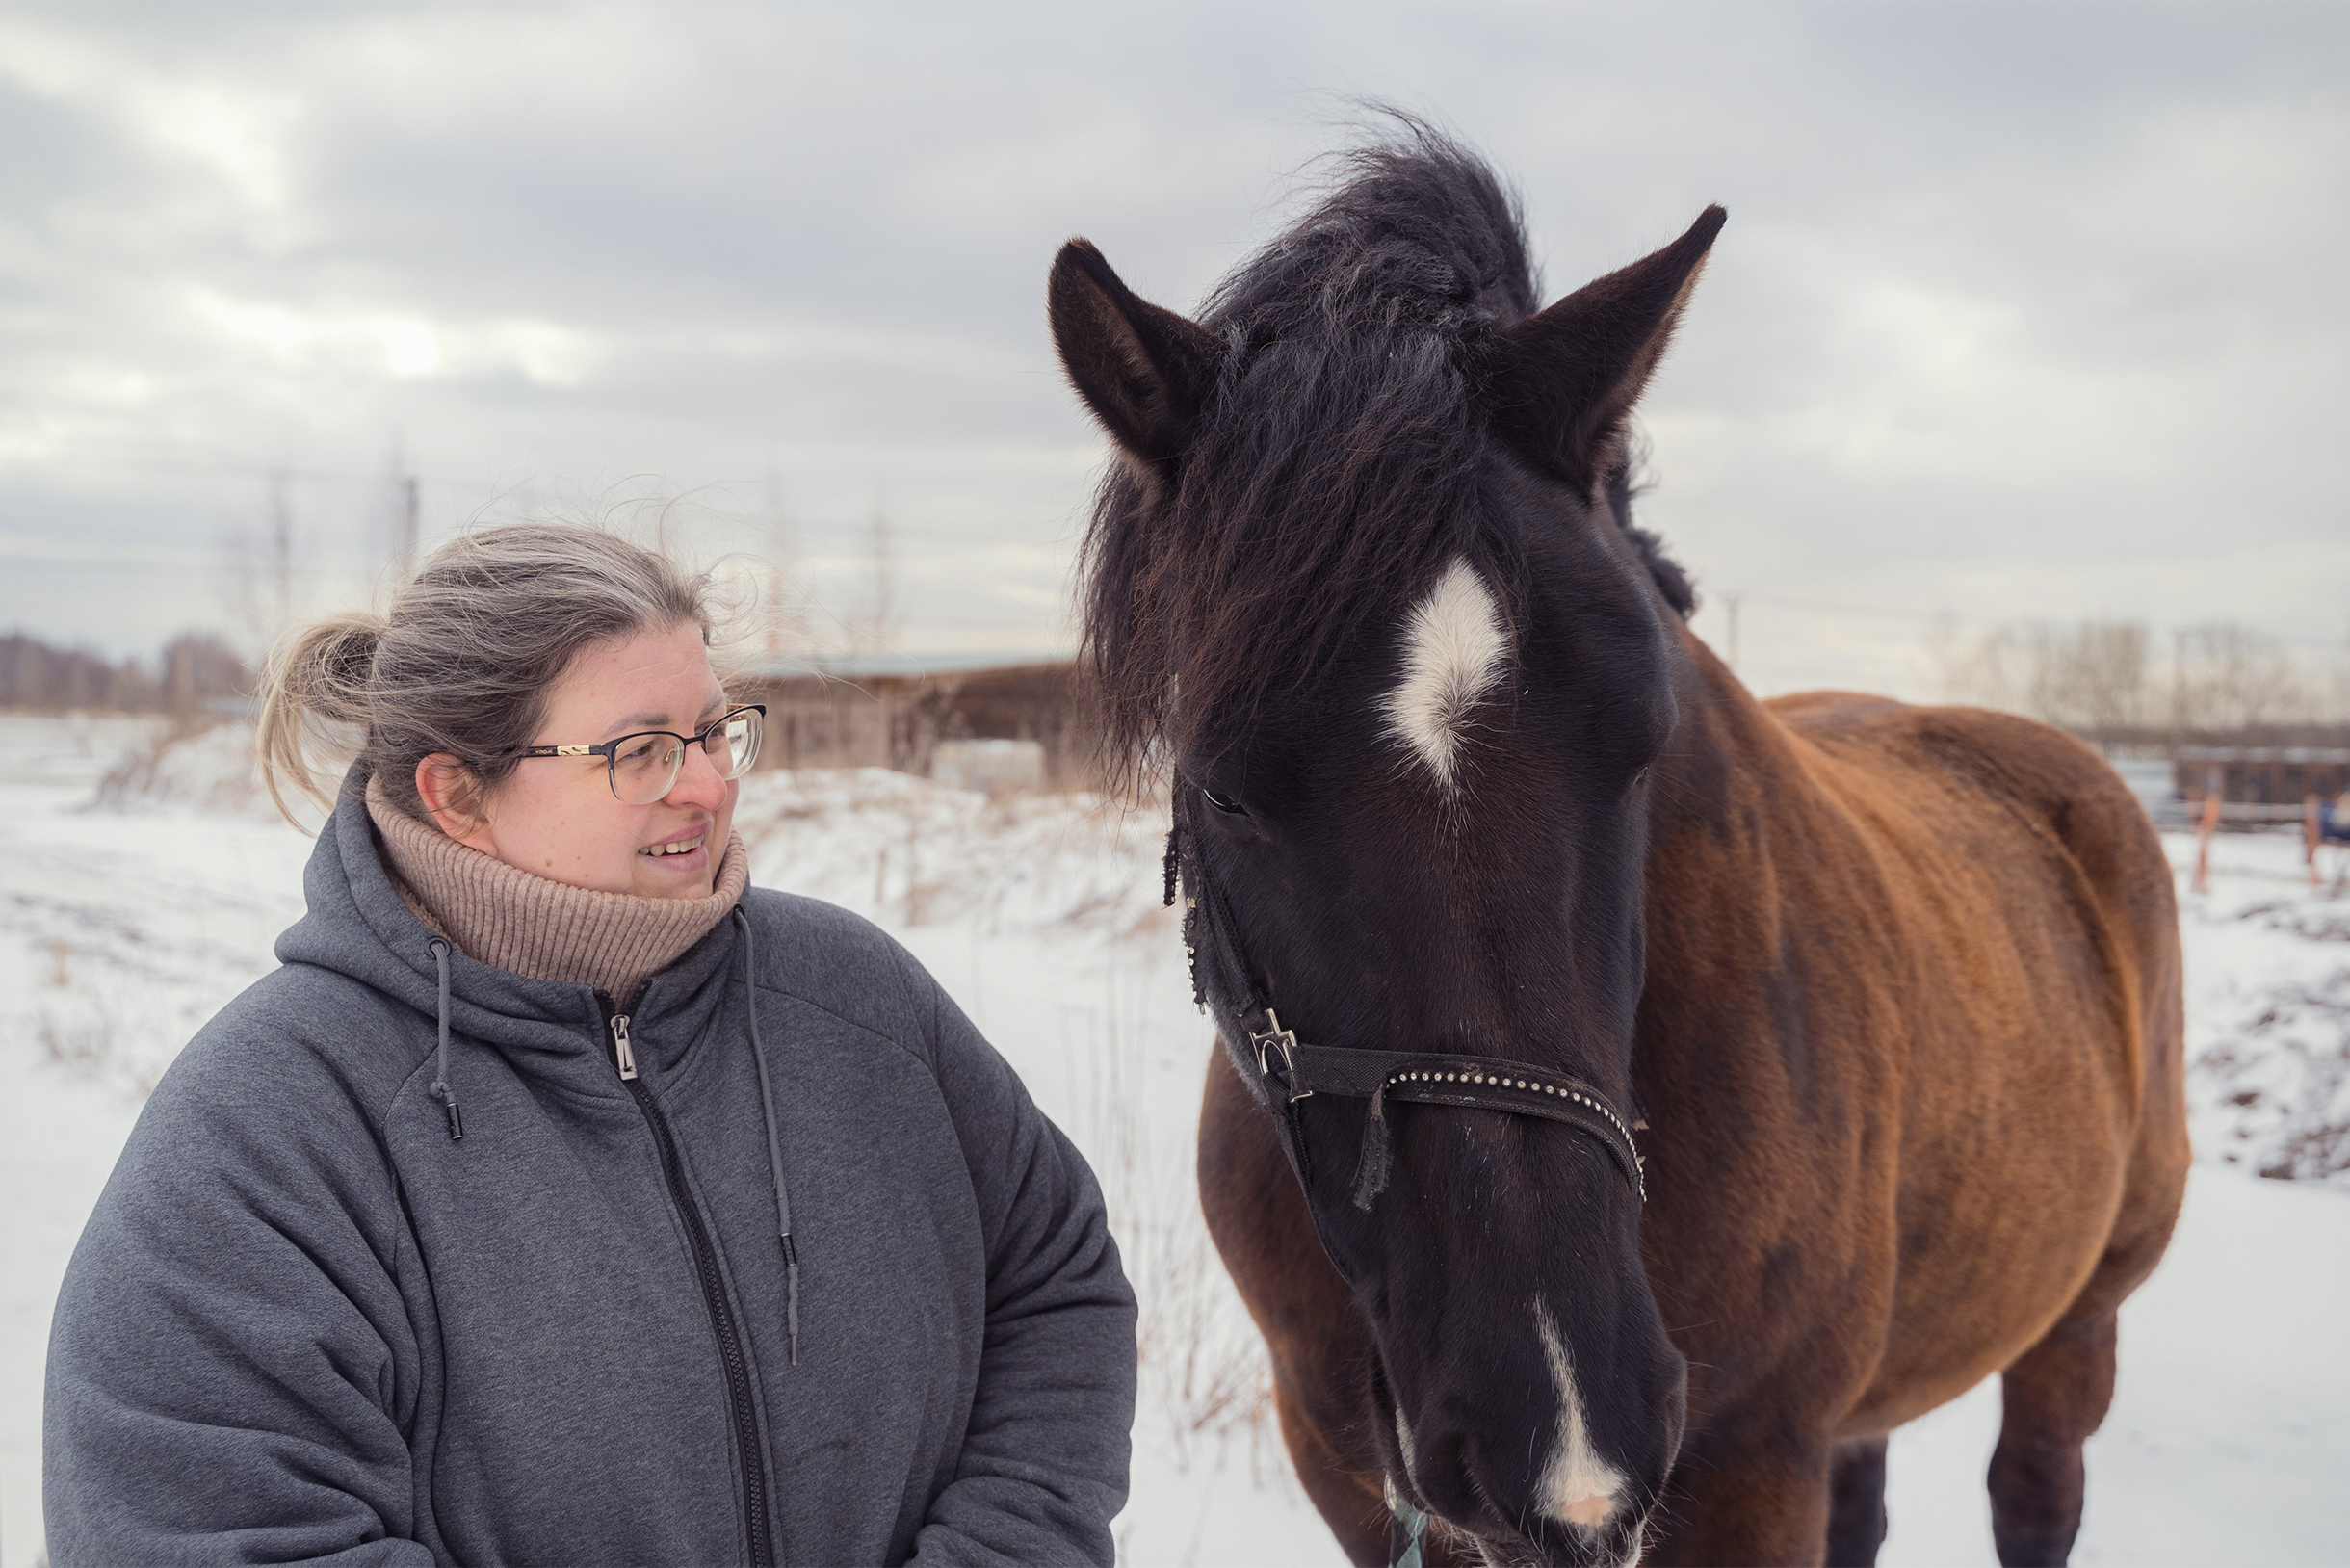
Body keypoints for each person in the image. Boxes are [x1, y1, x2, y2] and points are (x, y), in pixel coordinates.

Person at [43, 525, 1136, 1566]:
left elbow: (1055, 1282)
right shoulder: (273, 1119)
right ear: (457, 794)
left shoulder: (858, 1002)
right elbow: (202, 1526)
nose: (709, 784)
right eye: (641, 750)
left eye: (714, 730)